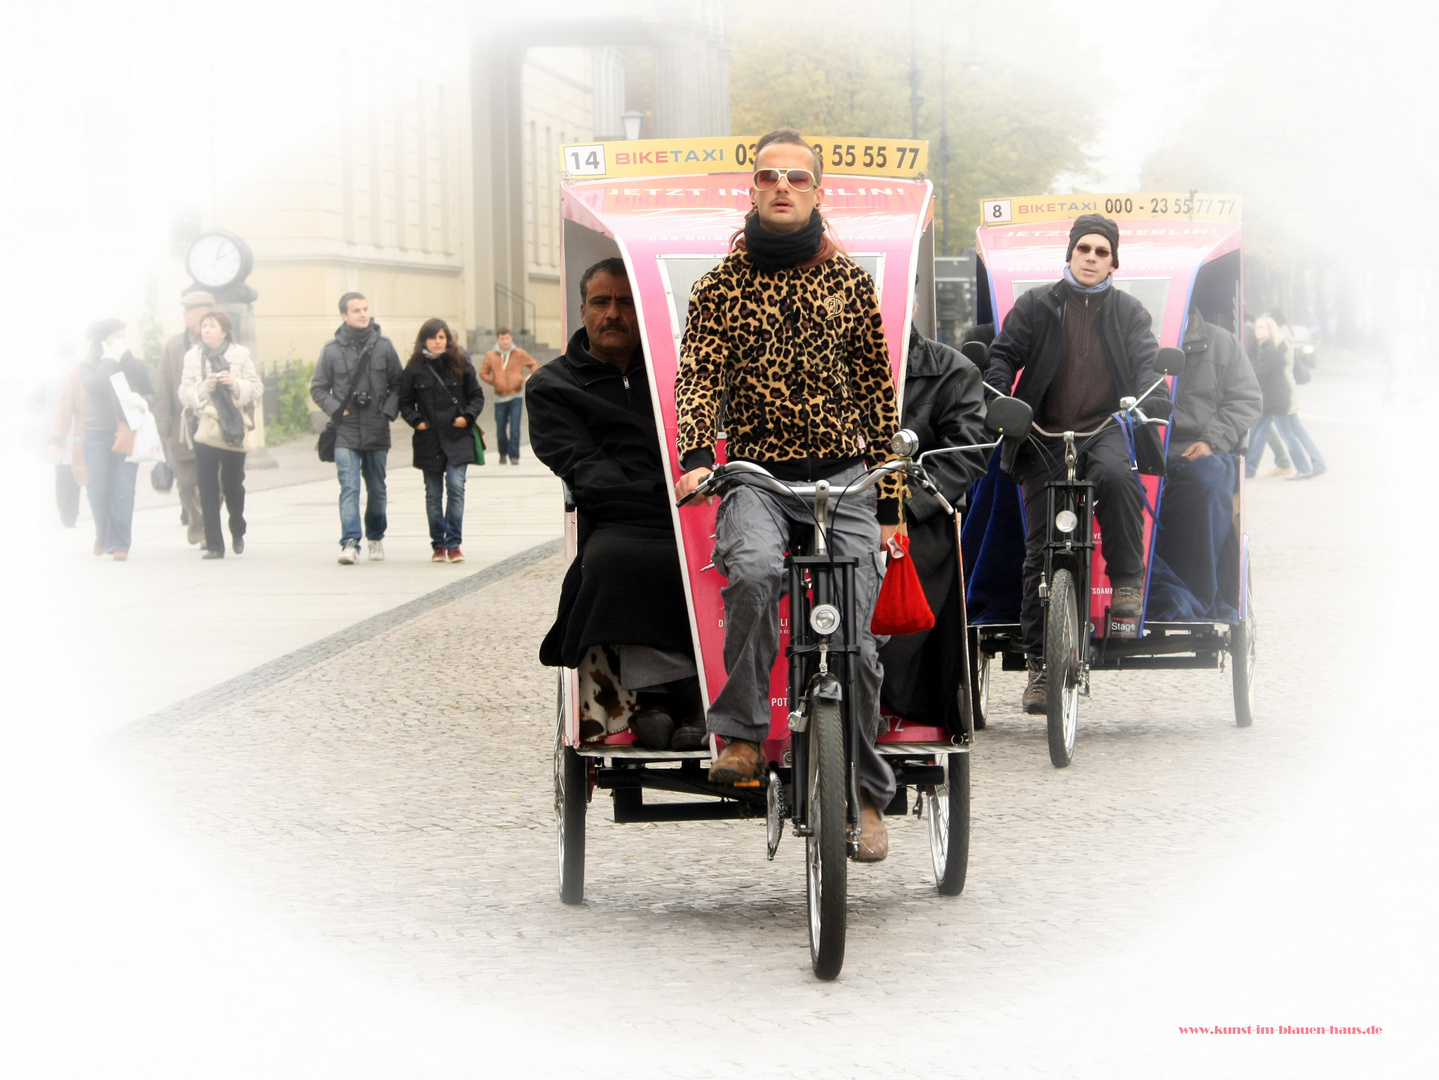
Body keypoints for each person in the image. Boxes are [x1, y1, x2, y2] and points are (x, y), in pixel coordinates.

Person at [674, 126, 904, 861]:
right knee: (750, 573)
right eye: (769, 176)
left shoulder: (848, 283)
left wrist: (889, 500)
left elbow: (875, 392)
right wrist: (691, 456)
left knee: (861, 646)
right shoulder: (718, 286)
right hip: (757, 477)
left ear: (816, 193)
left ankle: (866, 797)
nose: (781, 187)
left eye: (796, 178)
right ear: (751, 190)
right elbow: (697, 377)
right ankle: (741, 735)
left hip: (843, 480)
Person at [985, 213, 1171, 714]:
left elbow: (1147, 364)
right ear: (1069, 254)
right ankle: (1041, 670)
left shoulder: (1129, 311)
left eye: (1102, 252)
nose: (1091, 258)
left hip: (1103, 427)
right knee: (1040, 552)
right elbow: (1003, 357)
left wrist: (1153, 398)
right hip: (1042, 434)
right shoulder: (1036, 305)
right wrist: (1002, 399)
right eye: (1084, 249)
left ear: (1114, 261)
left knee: (1116, 476)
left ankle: (1127, 581)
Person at [528, 259, 706, 752]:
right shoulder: (552, 385)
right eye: (602, 302)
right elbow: (577, 461)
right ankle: (678, 697)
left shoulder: (677, 373)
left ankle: (673, 699)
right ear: (582, 309)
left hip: (693, 508)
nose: (613, 314)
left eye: (625, 303)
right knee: (616, 561)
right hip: (617, 515)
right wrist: (652, 495)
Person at [878, 318, 988, 733]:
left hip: (916, 507)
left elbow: (966, 448)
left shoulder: (952, 369)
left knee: (915, 555)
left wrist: (907, 501)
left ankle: (896, 700)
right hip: (835, 501)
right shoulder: (819, 359)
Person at [1148, 306, 1262, 620]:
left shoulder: (1222, 342)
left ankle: (1197, 599)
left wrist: (1213, 440)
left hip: (1200, 448)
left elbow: (1247, 399)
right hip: (1139, 449)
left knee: (1206, 486)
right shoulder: (1131, 337)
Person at [310, 292, 404, 564]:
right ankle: (350, 542)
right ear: (344, 316)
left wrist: (386, 411)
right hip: (346, 430)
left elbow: (398, 384)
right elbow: (318, 387)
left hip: (376, 428)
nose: (363, 314)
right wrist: (338, 408)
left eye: (365, 309)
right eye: (356, 310)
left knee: (377, 489)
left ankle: (375, 537)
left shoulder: (384, 347)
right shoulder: (331, 350)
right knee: (349, 487)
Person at [398, 318, 484, 562]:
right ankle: (438, 544)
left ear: (448, 339)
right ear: (424, 340)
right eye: (433, 337)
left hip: (457, 436)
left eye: (442, 337)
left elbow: (476, 396)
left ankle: (454, 544)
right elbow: (404, 402)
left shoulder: (460, 363)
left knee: (456, 488)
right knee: (433, 494)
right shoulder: (414, 367)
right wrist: (417, 421)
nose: (438, 342)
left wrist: (467, 417)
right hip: (429, 440)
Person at [178, 309, 262, 559]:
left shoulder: (240, 354)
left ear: (225, 331)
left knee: (233, 484)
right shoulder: (193, 357)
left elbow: (257, 388)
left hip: (233, 426)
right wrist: (205, 387)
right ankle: (215, 544)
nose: (206, 330)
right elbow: (183, 392)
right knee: (206, 486)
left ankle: (237, 527)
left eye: (212, 326)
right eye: (204, 326)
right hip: (204, 425)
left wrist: (234, 383)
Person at [79, 319, 157, 560]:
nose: (122, 341)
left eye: (125, 335)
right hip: (97, 433)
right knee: (97, 490)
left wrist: (144, 403)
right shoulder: (90, 364)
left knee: (123, 490)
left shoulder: (134, 364)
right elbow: (93, 387)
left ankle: (120, 542)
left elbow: (151, 393)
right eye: (116, 337)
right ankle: (102, 534)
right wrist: (109, 361)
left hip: (127, 430)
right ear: (102, 341)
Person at [155, 290, 214, 544]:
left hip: (214, 423)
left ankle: (205, 528)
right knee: (186, 482)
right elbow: (163, 388)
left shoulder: (222, 343)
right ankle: (197, 522)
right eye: (184, 309)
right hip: (182, 425)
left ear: (206, 311)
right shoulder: (174, 346)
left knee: (214, 482)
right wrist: (162, 428)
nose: (185, 313)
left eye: (190, 309)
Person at [1245, 313, 1326, 481]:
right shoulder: (1271, 345)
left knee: (1287, 436)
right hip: (1273, 398)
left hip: (1277, 399)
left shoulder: (1274, 347)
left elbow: (1260, 372)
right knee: (1256, 432)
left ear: (1270, 329)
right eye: (1257, 327)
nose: (1257, 331)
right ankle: (1248, 469)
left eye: (1261, 327)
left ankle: (1303, 468)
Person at [479, 328, 538, 465]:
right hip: (499, 397)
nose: (505, 341)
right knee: (500, 428)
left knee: (515, 427)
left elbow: (533, 364)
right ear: (498, 339)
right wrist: (494, 381)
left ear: (510, 338)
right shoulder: (491, 355)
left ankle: (514, 455)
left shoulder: (519, 353)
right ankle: (502, 453)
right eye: (502, 339)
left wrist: (529, 376)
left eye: (507, 338)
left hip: (516, 394)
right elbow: (483, 372)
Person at [47, 355, 87, 528]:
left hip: (68, 429)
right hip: (67, 429)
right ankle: (68, 513)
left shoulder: (58, 370)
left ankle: (68, 513)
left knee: (66, 471)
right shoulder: (77, 369)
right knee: (67, 470)